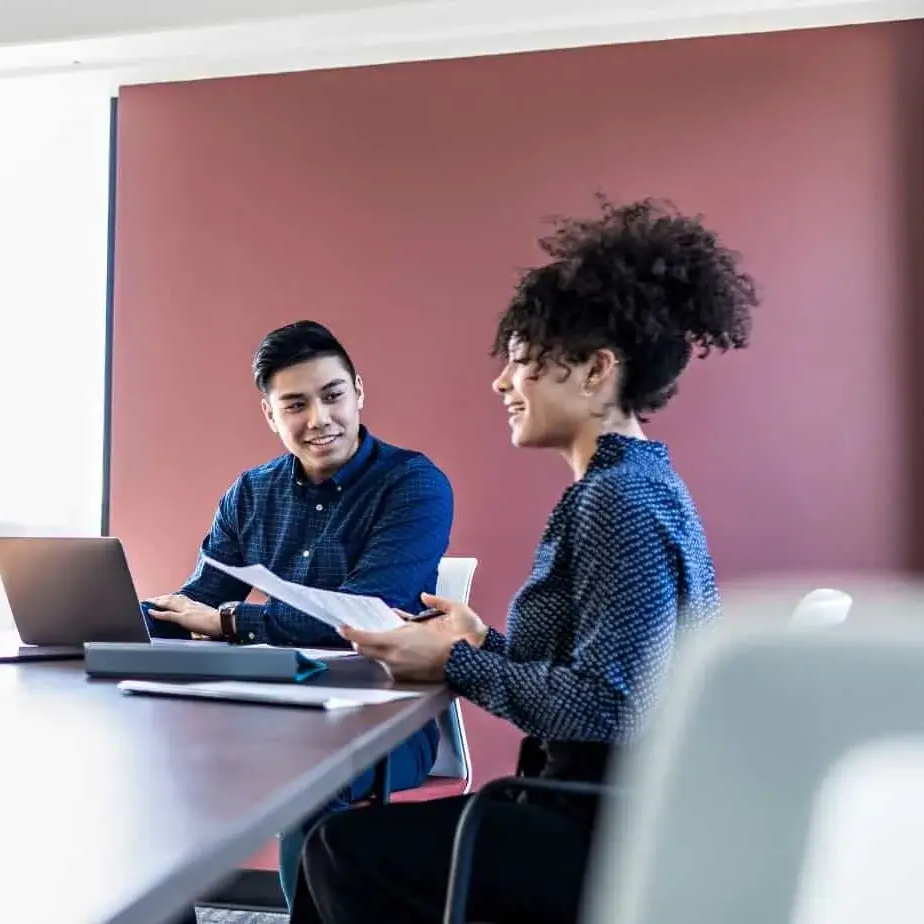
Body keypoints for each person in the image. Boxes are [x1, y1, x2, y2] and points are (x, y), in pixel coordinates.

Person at [288, 198, 757, 924]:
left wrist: (456, 663)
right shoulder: (634, 484)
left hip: (596, 831)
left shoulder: (618, 501)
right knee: (339, 845)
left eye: (522, 363)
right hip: (607, 811)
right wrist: (475, 641)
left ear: (597, 370)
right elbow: (597, 673)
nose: (502, 384)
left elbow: (609, 706)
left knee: (342, 850)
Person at [144, 320, 454, 909]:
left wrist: (236, 624)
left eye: (333, 396)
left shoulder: (414, 486)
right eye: (295, 405)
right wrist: (118, 618)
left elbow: (365, 615)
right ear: (269, 414)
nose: (319, 420)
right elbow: (201, 600)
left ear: (359, 391)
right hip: (268, 712)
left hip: (385, 724)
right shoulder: (251, 493)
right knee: (157, 770)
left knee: (307, 780)